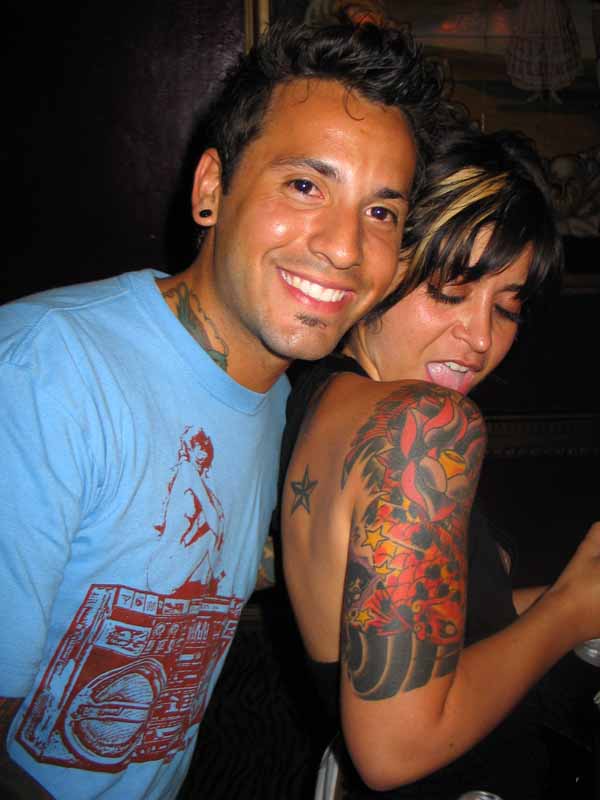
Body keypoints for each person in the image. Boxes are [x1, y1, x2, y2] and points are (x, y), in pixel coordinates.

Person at [0, 17, 454, 800]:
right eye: (306, 185)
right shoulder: (46, 370)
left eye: (381, 212)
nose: (346, 247)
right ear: (212, 189)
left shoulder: (279, 404)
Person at [279, 127, 600, 799]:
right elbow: (395, 749)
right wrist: (568, 613)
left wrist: (571, 595)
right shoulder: (420, 425)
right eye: (450, 292)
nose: (480, 338)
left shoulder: (319, 395)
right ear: (384, 261)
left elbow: (417, 628)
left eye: (507, 308)